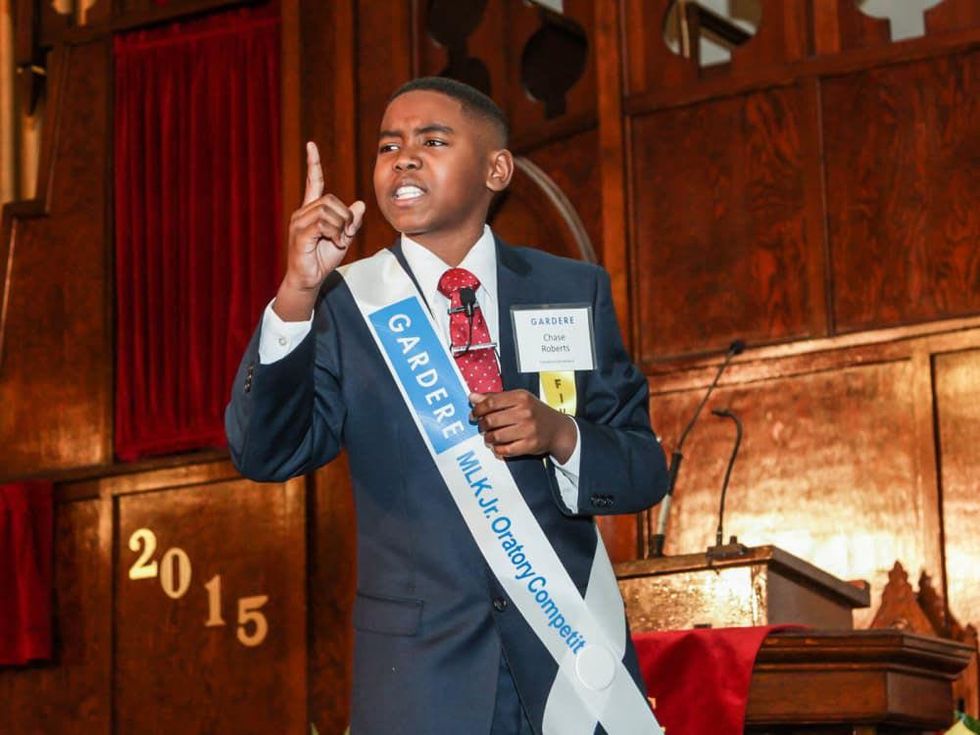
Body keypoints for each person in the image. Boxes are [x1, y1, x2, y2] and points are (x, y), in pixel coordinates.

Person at [226, 76, 668, 735]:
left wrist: (562, 435)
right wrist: (296, 292)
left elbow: (644, 467)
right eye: (387, 146)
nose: (403, 157)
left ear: (496, 168)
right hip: (421, 683)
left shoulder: (571, 289)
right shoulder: (346, 304)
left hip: (569, 668)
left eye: (431, 140)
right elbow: (265, 451)